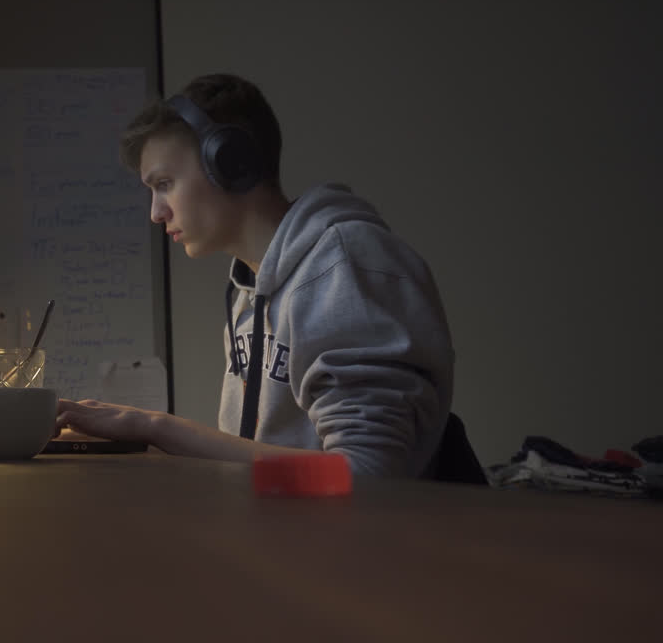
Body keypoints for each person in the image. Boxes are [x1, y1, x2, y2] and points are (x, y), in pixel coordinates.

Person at [57, 73, 456, 477]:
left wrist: (156, 426)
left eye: (165, 183)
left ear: (229, 162)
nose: (156, 213)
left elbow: (368, 475)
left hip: (349, 539)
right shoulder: (247, 294)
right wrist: (143, 437)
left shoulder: (342, 264)